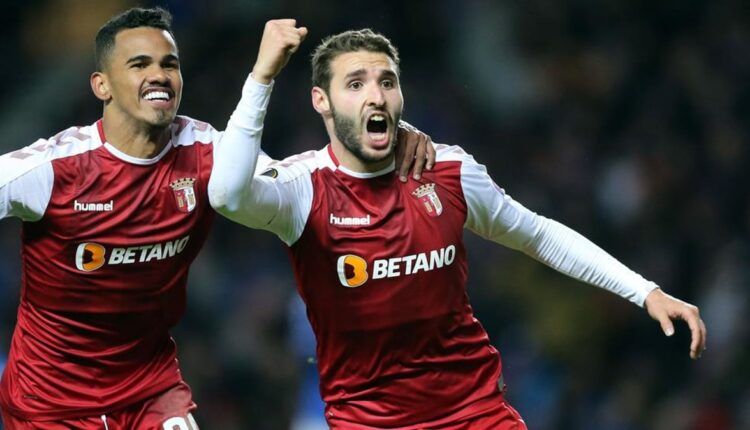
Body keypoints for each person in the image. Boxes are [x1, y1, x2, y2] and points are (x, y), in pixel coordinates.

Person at [213, 29, 708, 429]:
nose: (376, 96)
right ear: (321, 101)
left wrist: (644, 291)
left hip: (475, 414)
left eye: (387, 81)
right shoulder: (304, 189)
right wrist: (260, 77)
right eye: (356, 83)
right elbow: (228, 194)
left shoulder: (446, 169)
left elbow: (536, 234)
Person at [0, 7, 435, 428]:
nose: (159, 75)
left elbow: (304, 186)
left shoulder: (208, 151)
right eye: (139, 64)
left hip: (148, 388)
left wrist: (391, 137)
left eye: (169, 63)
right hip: (48, 398)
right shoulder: (55, 168)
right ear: (102, 85)